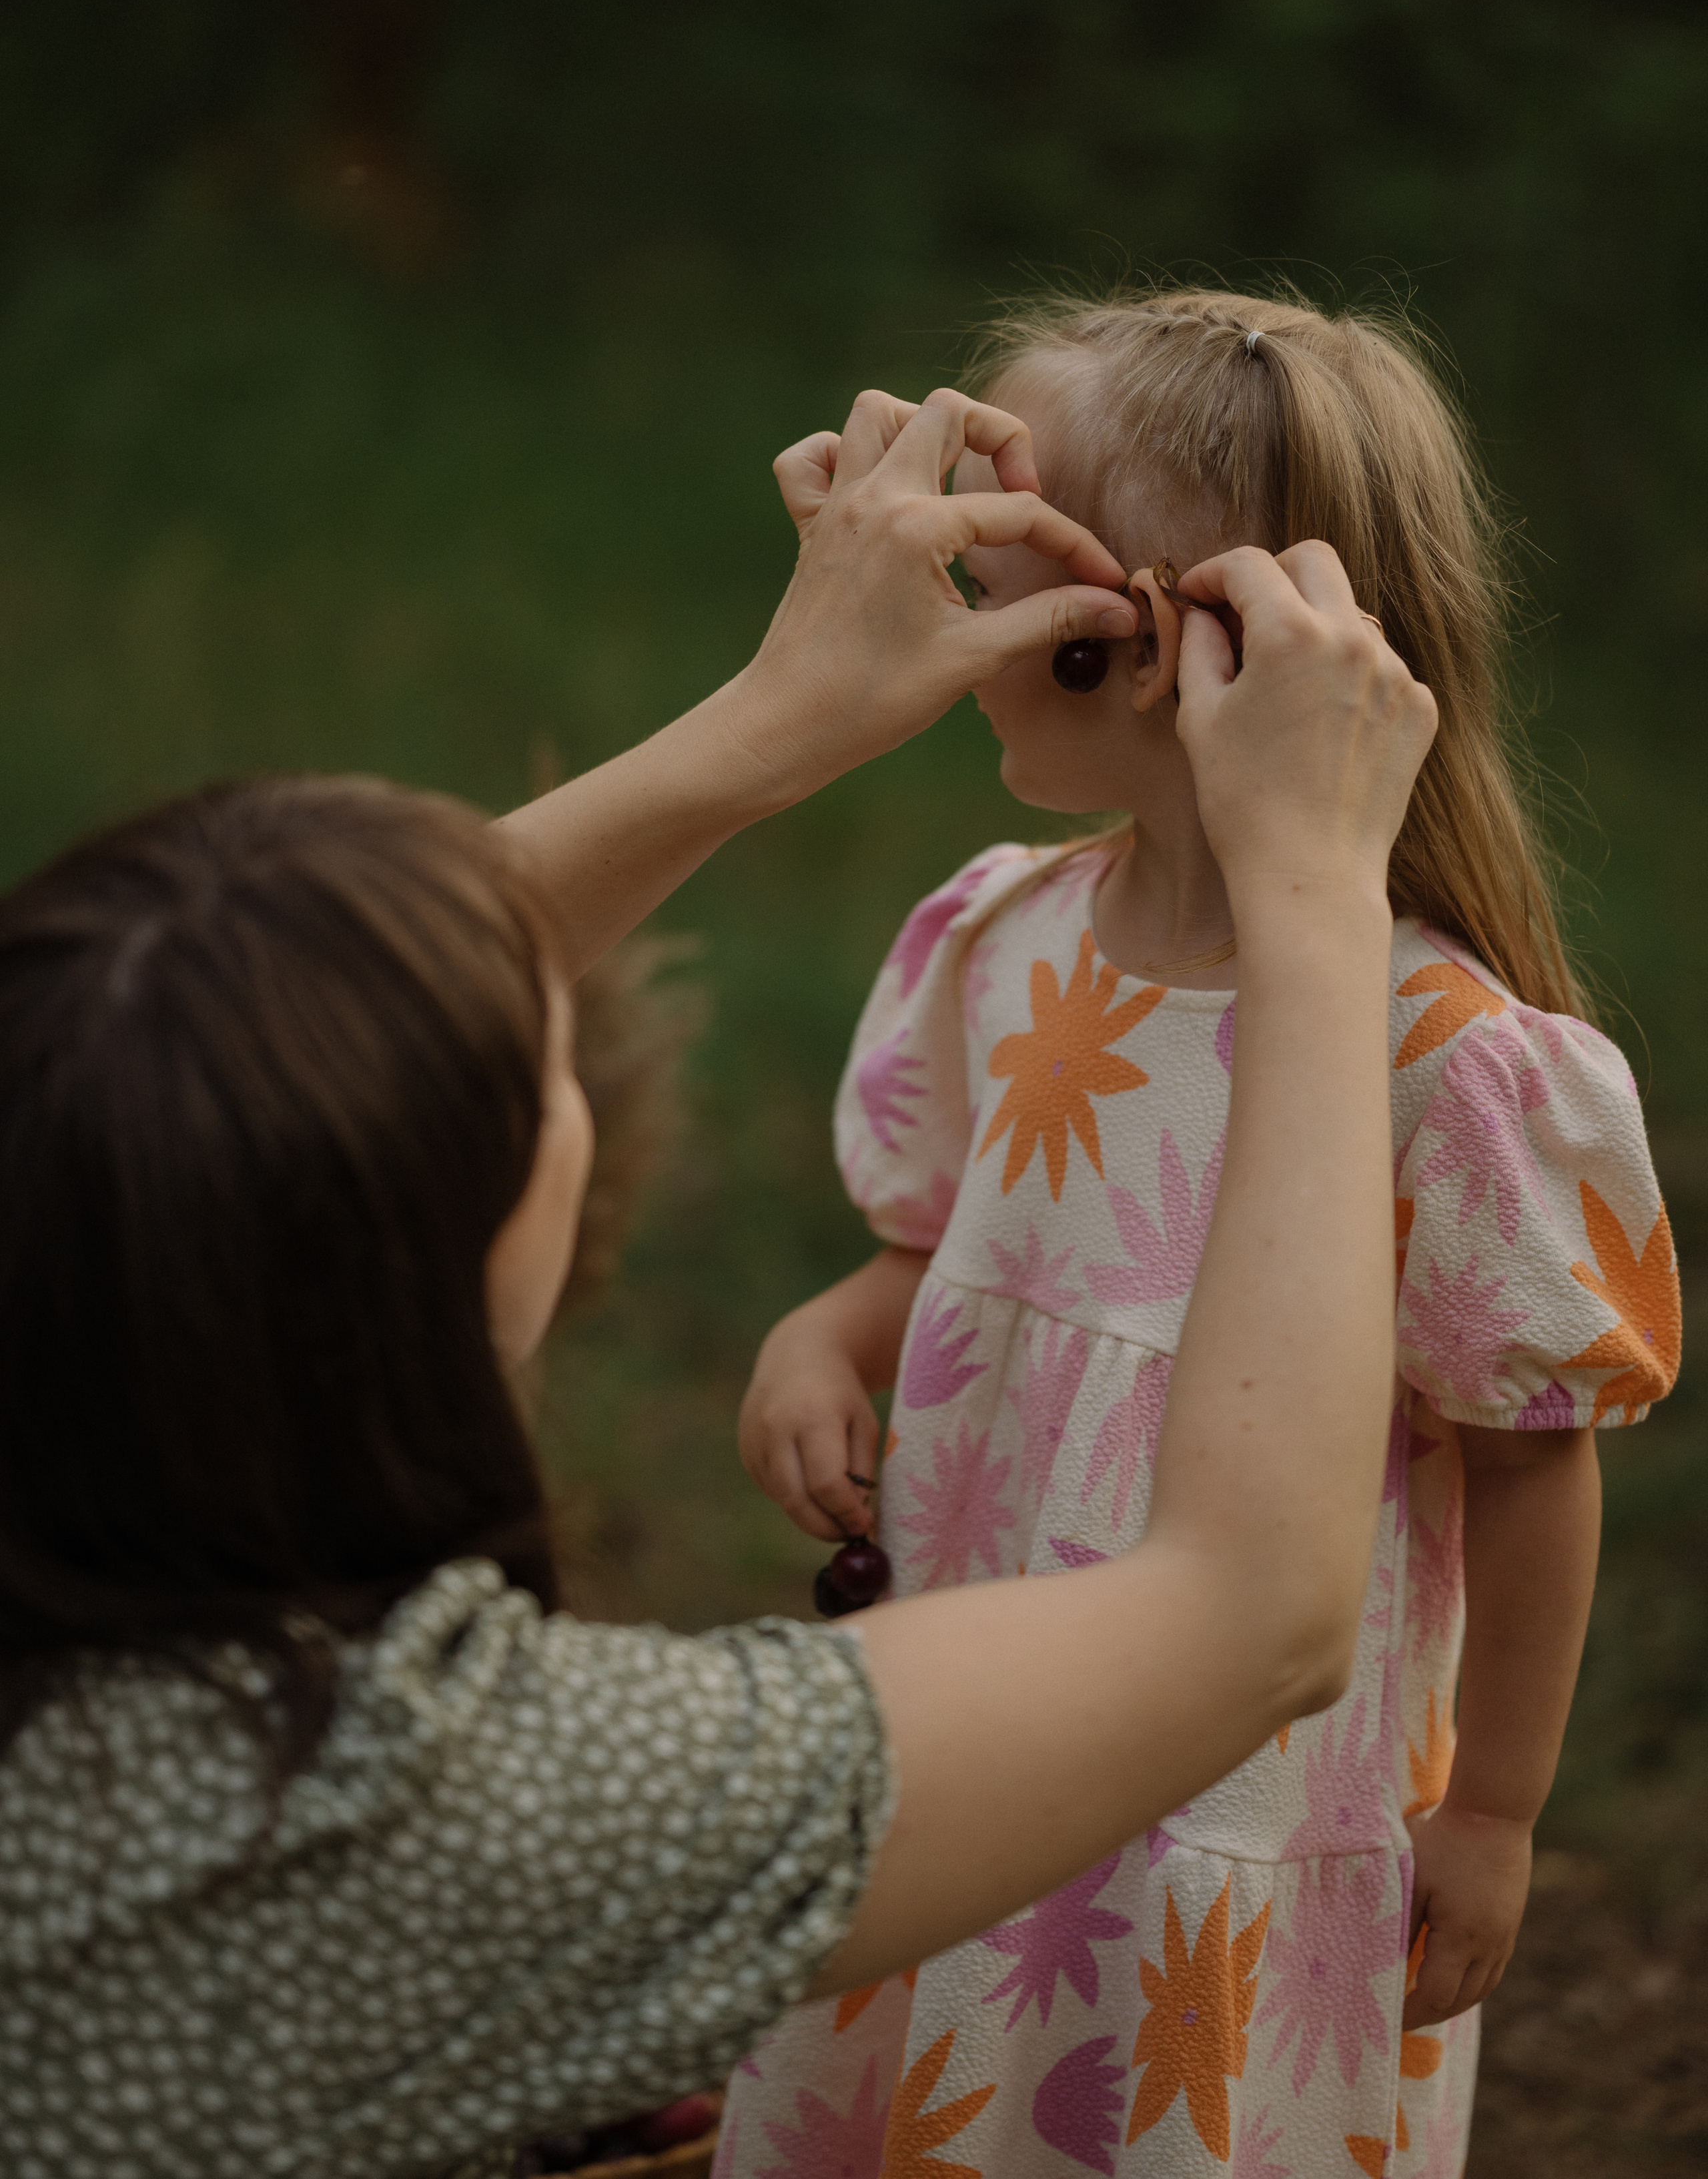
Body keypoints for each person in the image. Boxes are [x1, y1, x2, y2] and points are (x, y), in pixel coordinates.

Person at [0, 387, 1436, 2179]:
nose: (569, 1060)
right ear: (434, 1268)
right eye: (536, 1078)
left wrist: (777, 722)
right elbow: (1258, 1611)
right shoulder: (442, 1815)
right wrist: (1316, 897)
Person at [735, 302, 1682, 2178]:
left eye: (982, 572)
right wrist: (828, 1333)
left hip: (1226, 1818)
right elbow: (971, 1245)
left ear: (1144, 647)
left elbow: (1527, 1456)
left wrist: (1493, 1808)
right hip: (969, 1724)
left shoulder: (1439, 1062)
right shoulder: (1004, 940)